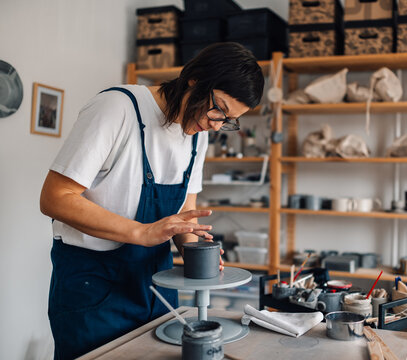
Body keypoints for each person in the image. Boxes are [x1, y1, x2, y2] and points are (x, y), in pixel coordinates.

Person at [39, 42, 265, 359]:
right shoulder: (117, 108)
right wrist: (141, 232)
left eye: (229, 120)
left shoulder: (198, 135)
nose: (216, 125)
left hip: (157, 287)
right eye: (220, 109)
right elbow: (55, 198)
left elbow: (187, 211)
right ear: (195, 79)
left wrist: (198, 251)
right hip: (94, 286)